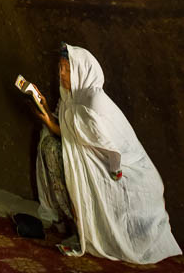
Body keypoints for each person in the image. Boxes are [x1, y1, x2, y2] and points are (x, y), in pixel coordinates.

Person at [33, 44, 180, 263]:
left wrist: (114, 172)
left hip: (125, 170)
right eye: (60, 68)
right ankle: (83, 228)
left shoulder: (94, 103)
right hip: (106, 165)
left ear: (82, 70)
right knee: (51, 148)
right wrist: (44, 108)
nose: (61, 74)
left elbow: (106, 147)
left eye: (67, 69)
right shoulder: (71, 97)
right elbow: (69, 132)